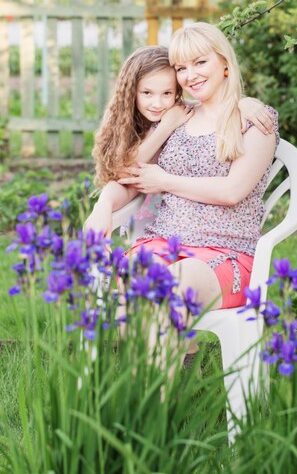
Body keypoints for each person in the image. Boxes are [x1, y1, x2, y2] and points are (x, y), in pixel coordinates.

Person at [88, 22, 279, 322]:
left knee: (168, 284)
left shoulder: (254, 120)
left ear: (225, 64)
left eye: (200, 62)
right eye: (181, 68)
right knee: (134, 281)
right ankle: (167, 365)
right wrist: (104, 206)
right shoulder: (179, 118)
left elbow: (232, 191)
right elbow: (130, 177)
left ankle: (165, 365)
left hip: (225, 251)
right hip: (163, 242)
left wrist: (165, 180)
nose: (190, 76)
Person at [86, 43, 275, 236]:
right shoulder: (161, 120)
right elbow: (127, 172)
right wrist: (103, 205)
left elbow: (231, 191)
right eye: (147, 93)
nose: (157, 103)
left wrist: (243, 103)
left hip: (215, 235)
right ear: (130, 93)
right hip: (164, 230)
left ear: (177, 91)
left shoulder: (178, 115)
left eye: (167, 93)